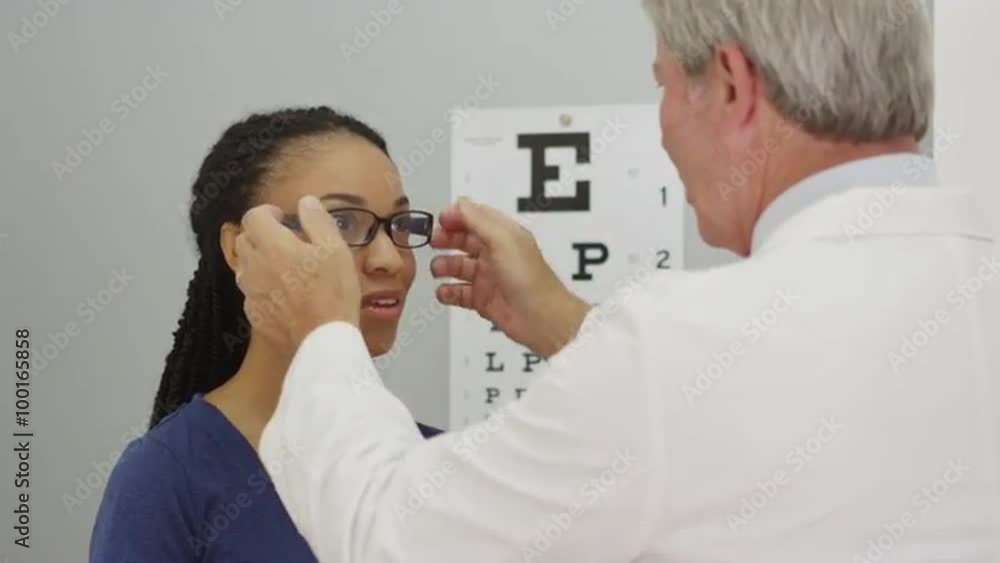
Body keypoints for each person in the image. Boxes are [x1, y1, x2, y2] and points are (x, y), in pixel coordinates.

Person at [240, 1, 999, 561]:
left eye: (666, 86)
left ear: (731, 84)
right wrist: (567, 321)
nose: (664, 125)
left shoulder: (671, 350)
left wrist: (320, 334)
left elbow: (388, 532)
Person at [89, 106, 442, 563]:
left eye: (398, 224)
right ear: (242, 247)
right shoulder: (169, 476)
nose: (390, 259)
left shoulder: (434, 464)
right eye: (340, 223)